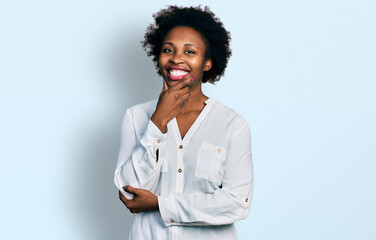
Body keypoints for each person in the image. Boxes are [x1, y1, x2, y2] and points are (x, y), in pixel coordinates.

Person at [114, 5, 253, 240]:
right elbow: (129, 193)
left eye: (189, 52)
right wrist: (158, 122)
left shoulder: (232, 125)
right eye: (168, 49)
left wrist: (161, 204)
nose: (176, 58)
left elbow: (236, 203)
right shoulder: (136, 117)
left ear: (207, 63)